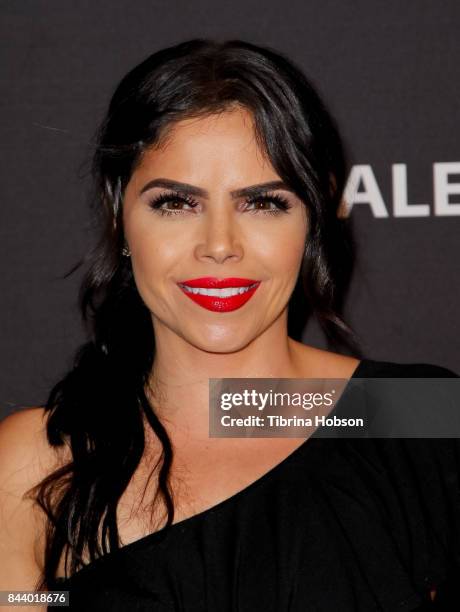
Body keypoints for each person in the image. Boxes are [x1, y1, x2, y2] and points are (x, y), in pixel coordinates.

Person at [0, 38, 458, 611]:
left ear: (313, 220)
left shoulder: (417, 415)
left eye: (263, 203)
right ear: (120, 216)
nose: (219, 246)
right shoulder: (37, 464)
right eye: (176, 203)